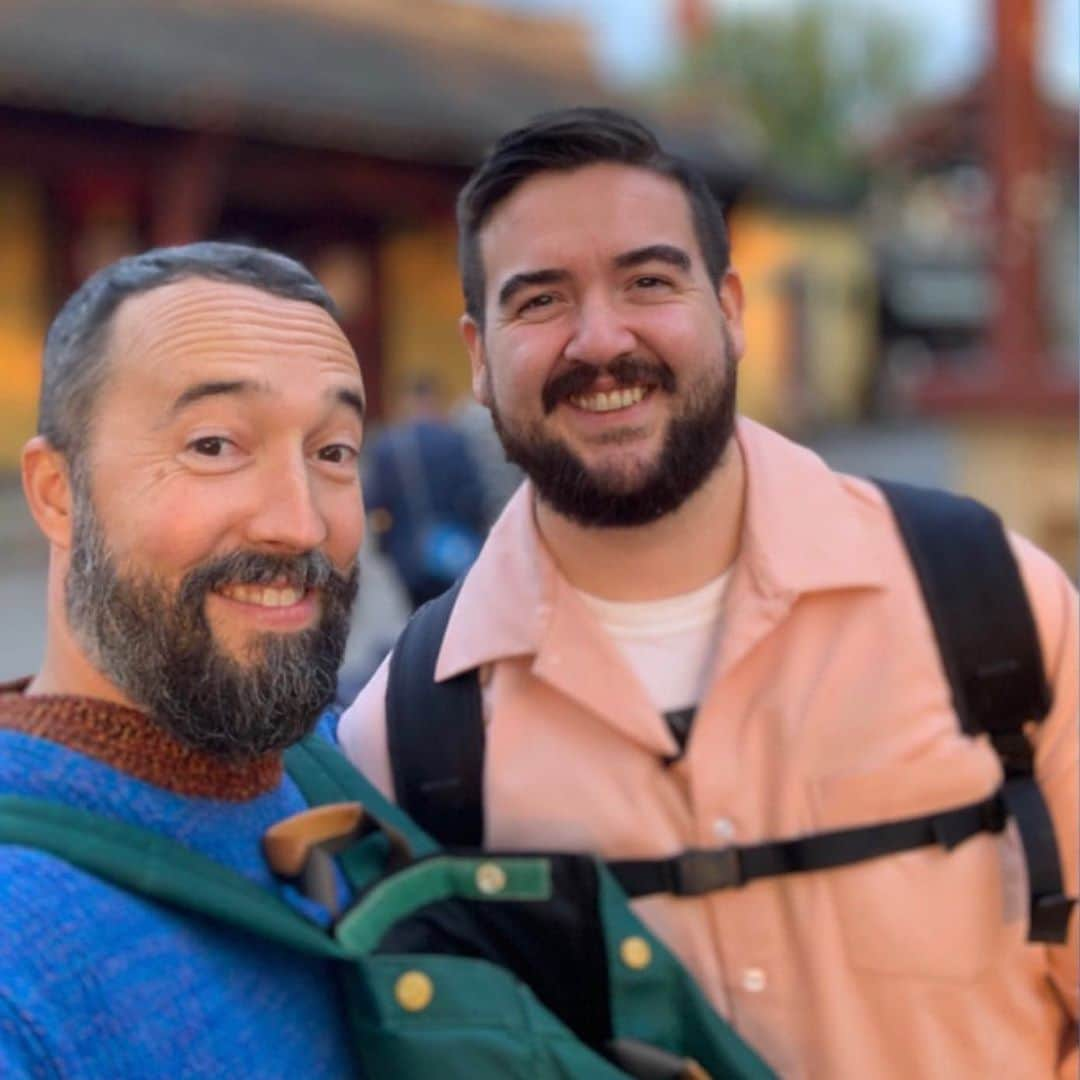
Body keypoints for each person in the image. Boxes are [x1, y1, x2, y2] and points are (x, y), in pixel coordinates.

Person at [339, 108, 1078, 1078]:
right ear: (478, 357)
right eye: (541, 301)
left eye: (648, 281)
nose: (601, 340)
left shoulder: (989, 603)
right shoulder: (409, 736)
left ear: (730, 309)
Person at [0, 243, 366, 1076]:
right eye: (214, 445)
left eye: (334, 451)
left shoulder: (353, 772)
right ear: (59, 491)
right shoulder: (19, 952)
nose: (300, 523)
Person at [364, 374, 487, 609]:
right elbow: (475, 496)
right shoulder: (454, 440)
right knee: (455, 612)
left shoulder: (386, 445)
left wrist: (385, 543)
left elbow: (375, 504)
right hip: (454, 547)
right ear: (435, 399)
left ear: (405, 402)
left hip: (407, 553)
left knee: (418, 615)